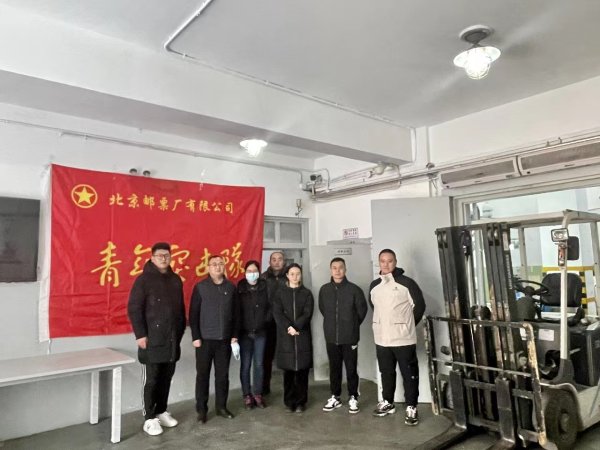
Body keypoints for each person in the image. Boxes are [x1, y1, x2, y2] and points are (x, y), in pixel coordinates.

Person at [127, 242, 186, 436]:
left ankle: (161, 410)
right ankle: (149, 418)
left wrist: (179, 332)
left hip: (171, 340)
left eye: (167, 255)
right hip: (151, 339)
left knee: (166, 378)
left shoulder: (175, 280)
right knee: (151, 380)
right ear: (152, 258)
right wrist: (140, 335)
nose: (163, 258)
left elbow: (180, 309)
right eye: (160, 255)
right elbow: (134, 309)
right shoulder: (143, 280)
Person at [369, 249, 425, 426]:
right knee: (386, 372)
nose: (386, 264)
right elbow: (374, 307)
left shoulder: (407, 283)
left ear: (395, 262)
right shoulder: (374, 286)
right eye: (383, 261)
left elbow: (420, 306)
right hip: (382, 339)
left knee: (409, 374)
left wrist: (407, 326)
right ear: (379, 262)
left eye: (390, 261)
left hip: (403, 339)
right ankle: (388, 402)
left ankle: (411, 406)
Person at [189, 254, 240, 423]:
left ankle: (221, 407)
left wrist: (234, 335)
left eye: (220, 264)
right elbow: (193, 314)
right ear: (208, 268)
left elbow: (236, 314)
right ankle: (202, 410)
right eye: (214, 264)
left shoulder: (231, 288)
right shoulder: (200, 287)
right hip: (204, 341)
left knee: (222, 376)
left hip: (224, 340)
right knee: (202, 376)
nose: (218, 267)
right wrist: (196, 336)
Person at [319, 257, 368, 414]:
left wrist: (351, 326)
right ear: (330, 270)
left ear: (345, 269)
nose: (337, 270)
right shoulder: (324, 290)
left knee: (351, 368)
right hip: (331, 337)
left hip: (350, 337)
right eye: (334, 268)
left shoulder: (354, 290)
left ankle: (353, 397)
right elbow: (323, 309)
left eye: (340, 267)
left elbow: (362, 311)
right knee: (334, 368)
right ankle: (335, 396)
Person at [272, 263, 314, 413]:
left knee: (302, 372)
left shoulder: (306, 293)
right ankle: (289, 401)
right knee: (288, 372)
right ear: (287, 276)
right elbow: (277, 313)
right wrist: (288, 327)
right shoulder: (279, 293)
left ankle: (301, 401)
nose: (295, 276)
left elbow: (308, 313)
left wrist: (296, 326)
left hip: (302, 334)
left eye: (298, 274)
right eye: (292, 274)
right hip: (286, 336)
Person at [237, 260, 271, 409]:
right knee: (245, 365)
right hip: (244, 334)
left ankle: (258, 394)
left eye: (254, 271)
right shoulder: (240, 288)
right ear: (245, 273)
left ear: (259, 272)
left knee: (259, 365)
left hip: (261, 332)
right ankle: (247, 395)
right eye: (249, 271)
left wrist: (265, 321)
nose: (252, 273)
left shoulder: (265, 287)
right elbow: (236, 311)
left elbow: (271, 307)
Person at [260, 251, 286, 395]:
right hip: (268, 322)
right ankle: (265, 387)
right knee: (266, 356)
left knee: (287, 354)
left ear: (284, 261)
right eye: (274, 259)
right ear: (269, 262)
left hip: (285, 321)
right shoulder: (263, 278)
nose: (277, 262)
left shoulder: (289, 277)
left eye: (280, 259)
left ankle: (289, 387)